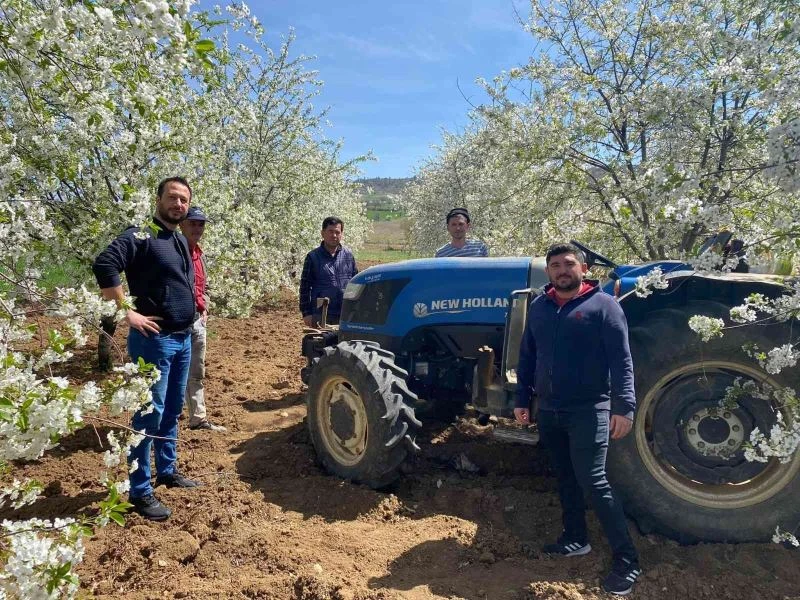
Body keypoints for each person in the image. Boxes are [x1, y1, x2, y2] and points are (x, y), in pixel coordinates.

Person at [513, 242, 641, 596]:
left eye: (568, 263)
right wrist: (522, 399)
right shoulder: (540, 306)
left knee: (594, 481)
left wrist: (624, 407)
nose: (561, 270)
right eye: (554, 265)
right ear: (549, 271)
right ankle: (575, 538)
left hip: (590, 409)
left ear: (583, 269)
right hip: (550, 410)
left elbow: (622, 360)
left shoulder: (604, 306)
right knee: (565, 476)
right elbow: (528, 356)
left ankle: (627, 561)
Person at [92, 176, 201, 522]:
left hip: (182, 338)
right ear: (158, 199)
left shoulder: (180, 241)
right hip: (154, 341)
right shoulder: (141, 235)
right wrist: (127, 312)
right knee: (147, 415)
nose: (178, 205)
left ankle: (167, 471)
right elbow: (104, 263)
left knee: (171, 411)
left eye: (184, 200)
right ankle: (140, 491)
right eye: (173, 198)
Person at [179, 206, 226, 432]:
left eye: (201, 224)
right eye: (193, 223)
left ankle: (198, 418)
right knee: (172, 371)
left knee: (196, 371)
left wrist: (204, 306)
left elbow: (205, 284)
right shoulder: (174, 250)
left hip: (197, 320)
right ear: (181, 225)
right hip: (176, 322)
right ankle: (167, 418)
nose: (197, 228)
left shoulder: (199, 253)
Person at [299, 216, 358, 327]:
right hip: (321, 314)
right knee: (321, 344)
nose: (334, 235)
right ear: (323, 233)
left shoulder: (348, 256)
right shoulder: (313, 257)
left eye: (337, 232)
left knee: (344, 344)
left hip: (345, 315)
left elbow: (355, 284)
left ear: (341, 234)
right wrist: (306, 313)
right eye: (330, 231)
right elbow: (304, 287)